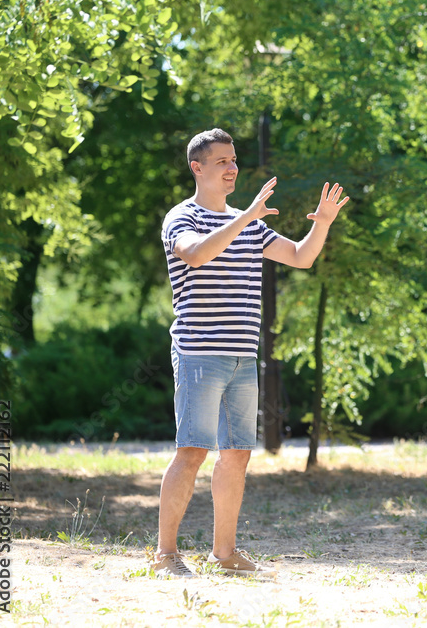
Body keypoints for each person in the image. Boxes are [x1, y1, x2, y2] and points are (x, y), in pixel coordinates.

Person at [153, 128, 349, 578]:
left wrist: (321, 222)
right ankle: (165, 554)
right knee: (192, 451)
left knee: (237, 453)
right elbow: (197, 256)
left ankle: (225, 554)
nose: (232, 167)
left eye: (234, 160)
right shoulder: (182, 218)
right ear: (197, 167)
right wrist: (244, 219)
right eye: (222, 161)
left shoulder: (250, 221)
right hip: (200, 353)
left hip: (244, 356)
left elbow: (300, 257)